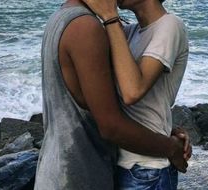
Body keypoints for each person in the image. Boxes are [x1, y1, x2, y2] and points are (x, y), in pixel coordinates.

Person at [34, 0, 191, 189]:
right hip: (82, 171)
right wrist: (170, 146)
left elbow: (127, 95)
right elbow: (112, 117)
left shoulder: (167, 25)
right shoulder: (97, 28)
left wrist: (166, 131)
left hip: (142, 168)